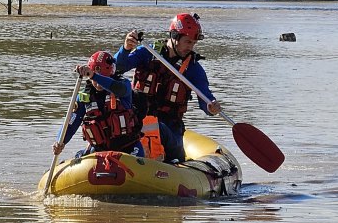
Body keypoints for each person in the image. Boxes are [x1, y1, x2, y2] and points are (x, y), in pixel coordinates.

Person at [114, 13, 221, 163]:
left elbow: (205, 97)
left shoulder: (193, 68)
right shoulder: (148, 53)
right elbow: (117, 68)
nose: (190, 47)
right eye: (187, 42)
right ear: (174, 36)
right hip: (137, 121)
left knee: (160, 129)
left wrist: (211, 107)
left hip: (171, 129)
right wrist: (126, 48)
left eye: (194, 43)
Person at [52, 51, 144, 158]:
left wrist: (94, 76)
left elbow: (119, 89)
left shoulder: (123, 85)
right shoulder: (85, 96)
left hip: (128, 147)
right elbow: (72, 122)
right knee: (78, 157)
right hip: (99, 150)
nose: (97, 83)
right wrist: (60, 141)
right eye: (94, 79)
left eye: (101, 77)